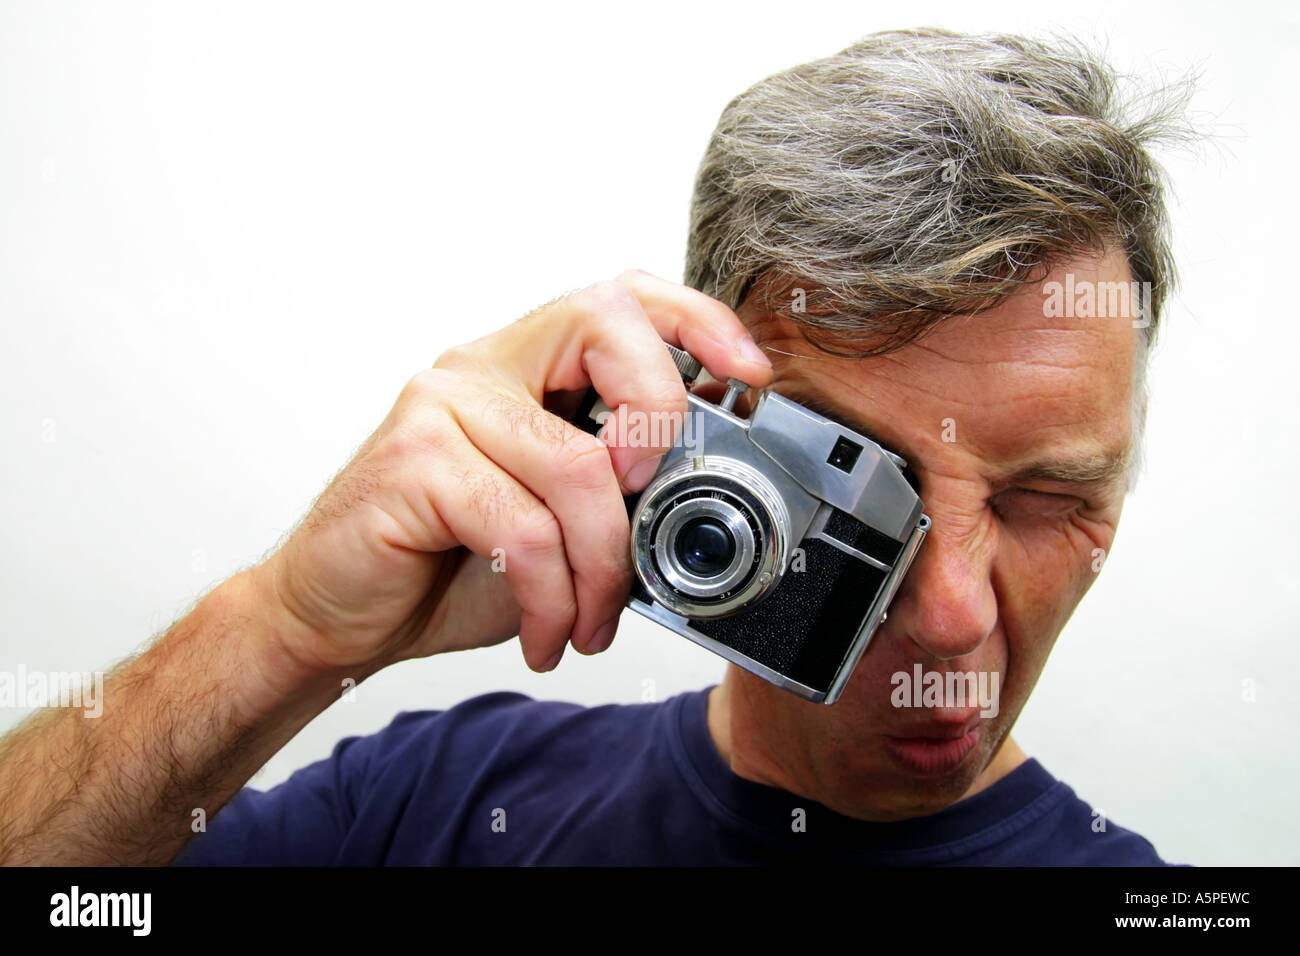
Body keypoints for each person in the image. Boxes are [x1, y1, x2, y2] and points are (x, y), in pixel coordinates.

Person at [0, 28, 1190, 865]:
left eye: (1047, 497)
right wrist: (281, 633)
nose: (948, 617)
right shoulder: (440, 802)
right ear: (707, 415)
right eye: (868, 482)